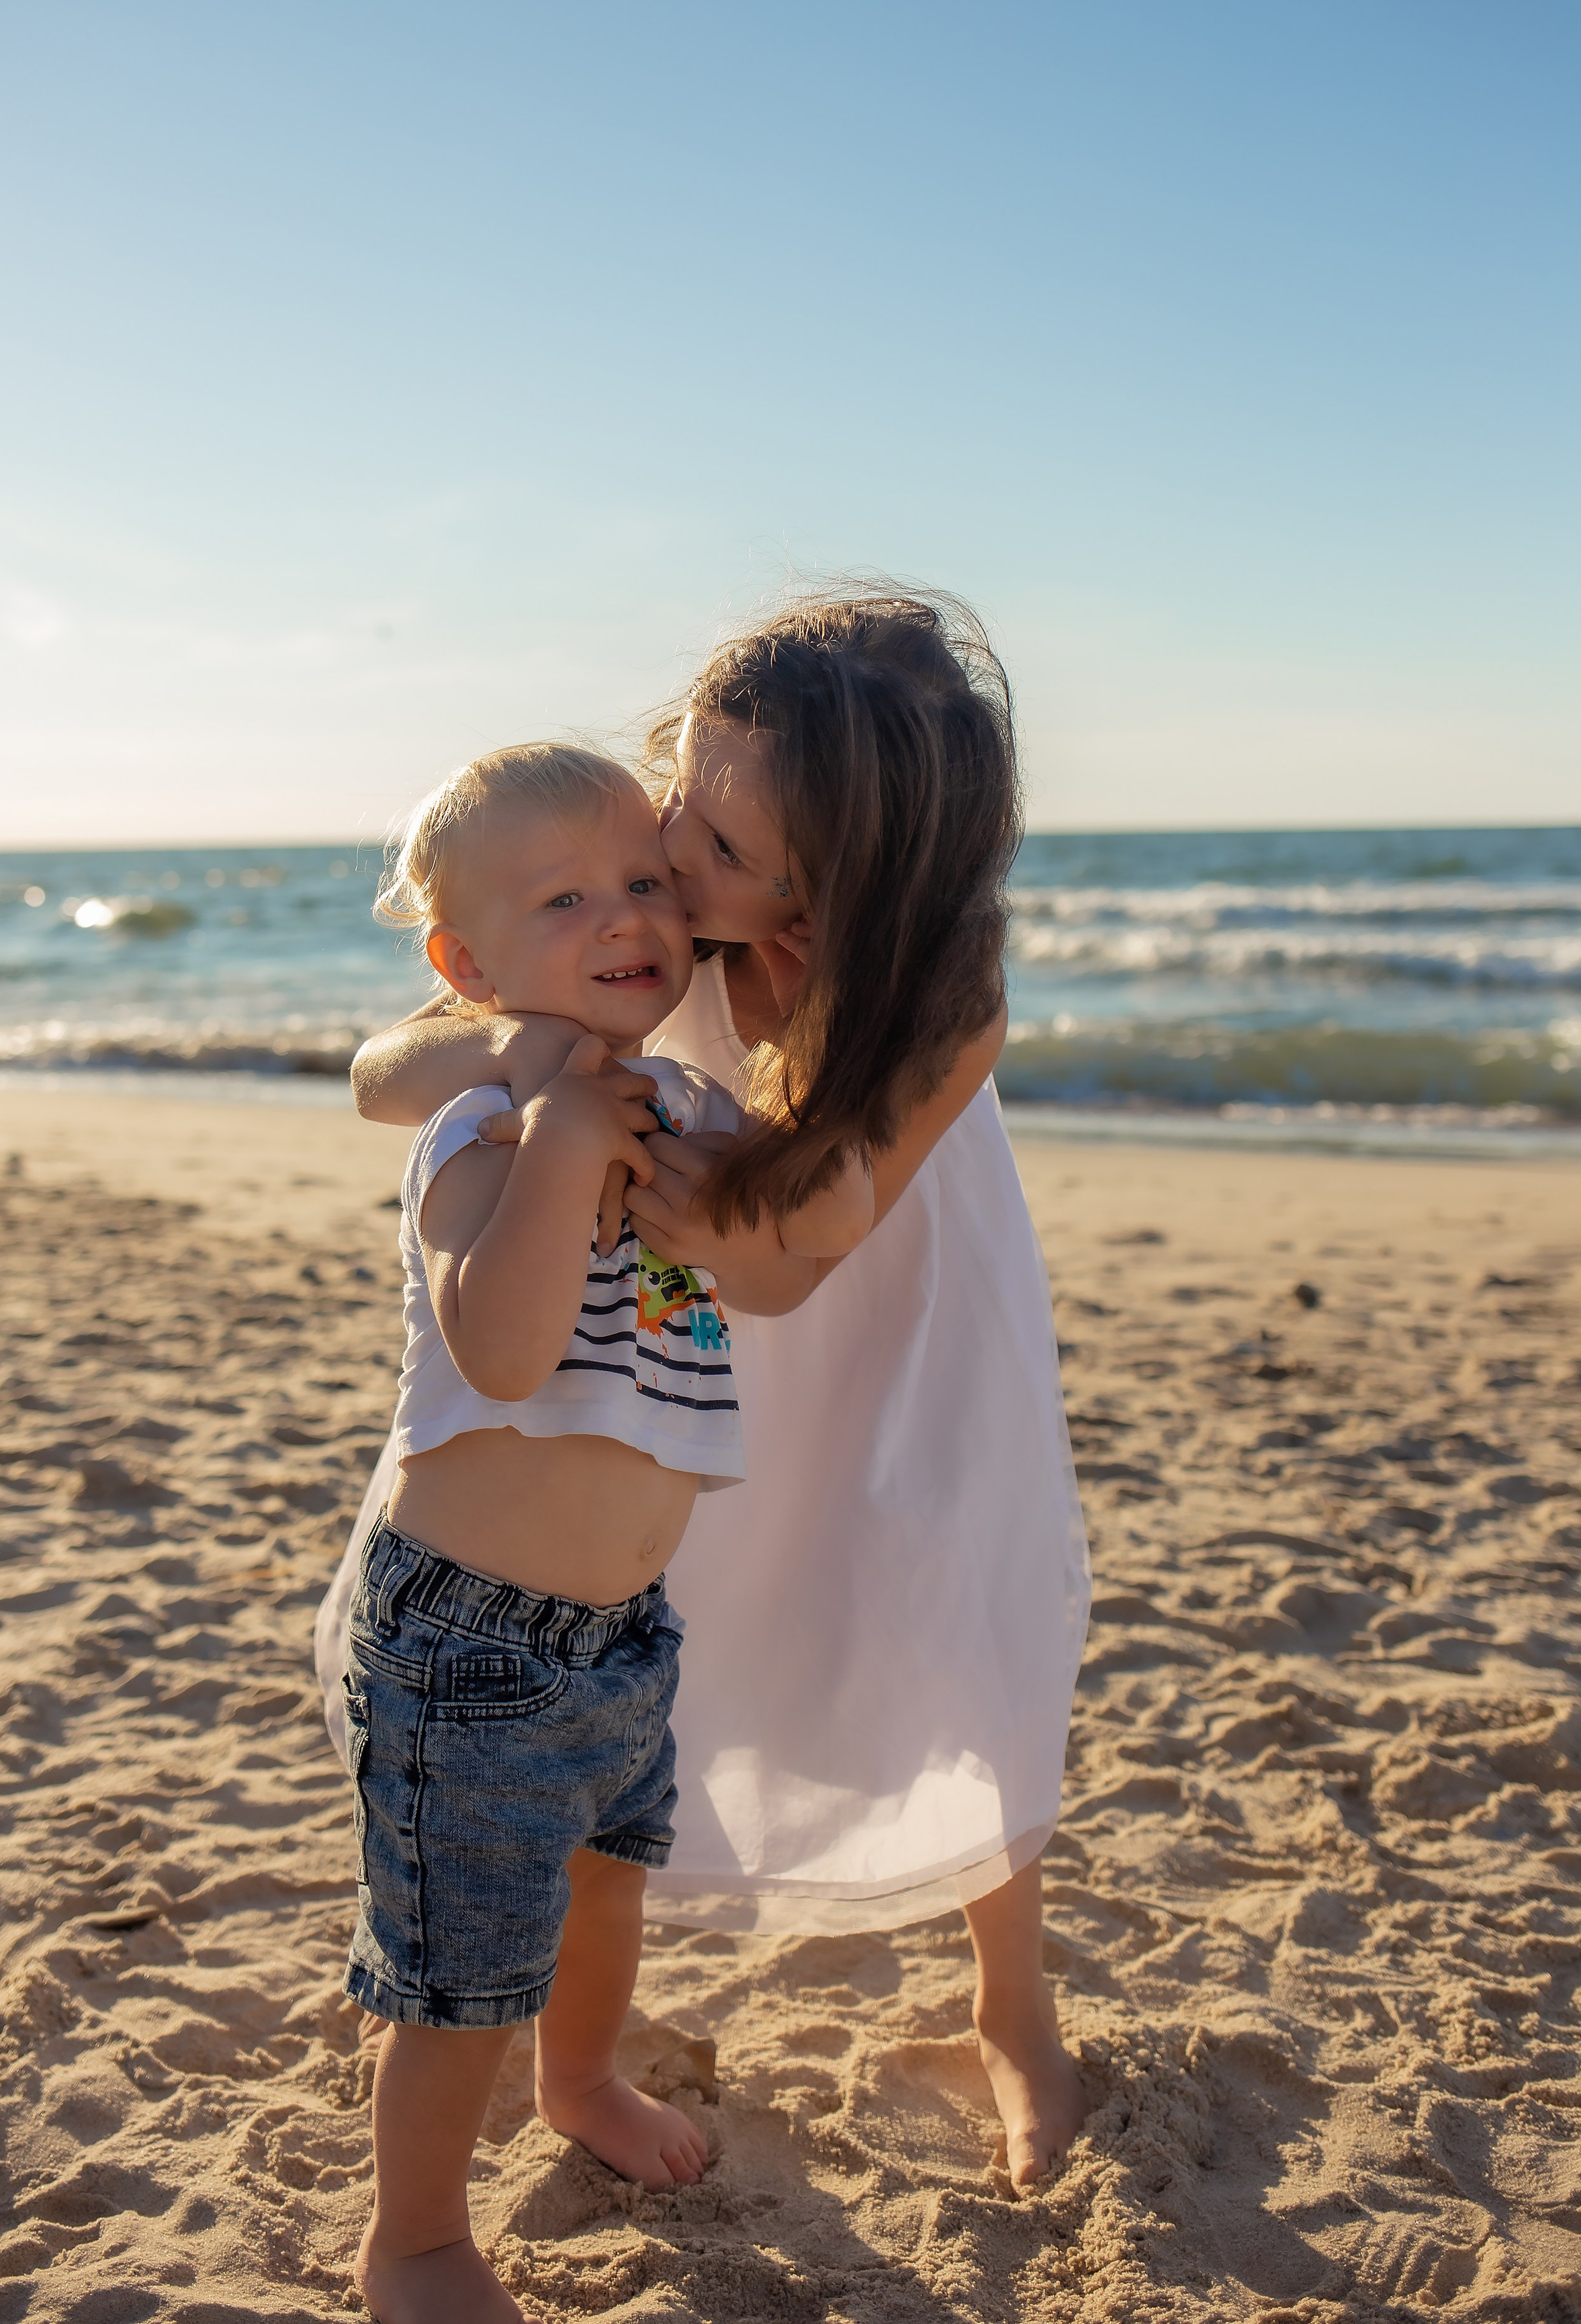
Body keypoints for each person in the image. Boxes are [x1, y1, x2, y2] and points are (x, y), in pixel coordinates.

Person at [326, 586, 1092, 2206]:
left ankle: (1010, 2000)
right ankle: (582, 2013)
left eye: (725, 856)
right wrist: (536, 1067)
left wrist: (648, 1149)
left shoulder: (938, 980)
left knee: (952, 1601)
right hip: (667, 1337)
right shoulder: (637, 901)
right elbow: (390, 1067)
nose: (675, 862)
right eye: (683, 793)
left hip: (870, 1289)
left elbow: (783, 1260)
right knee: (687, 1634)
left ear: (834, 882)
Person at [339, 742, 868, 2324]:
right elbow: (497, 1355)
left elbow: (787, 1224)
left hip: (621, 1635)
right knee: (456, 1983)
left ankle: (578, 2087)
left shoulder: (689, 1102)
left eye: (642, 878)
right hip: (469, 1640)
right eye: (561, 896)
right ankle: (417, 2237)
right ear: (468, 966)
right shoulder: (485, 1133)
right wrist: (560, 1140)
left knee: (603, 1894)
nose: (623, 912)